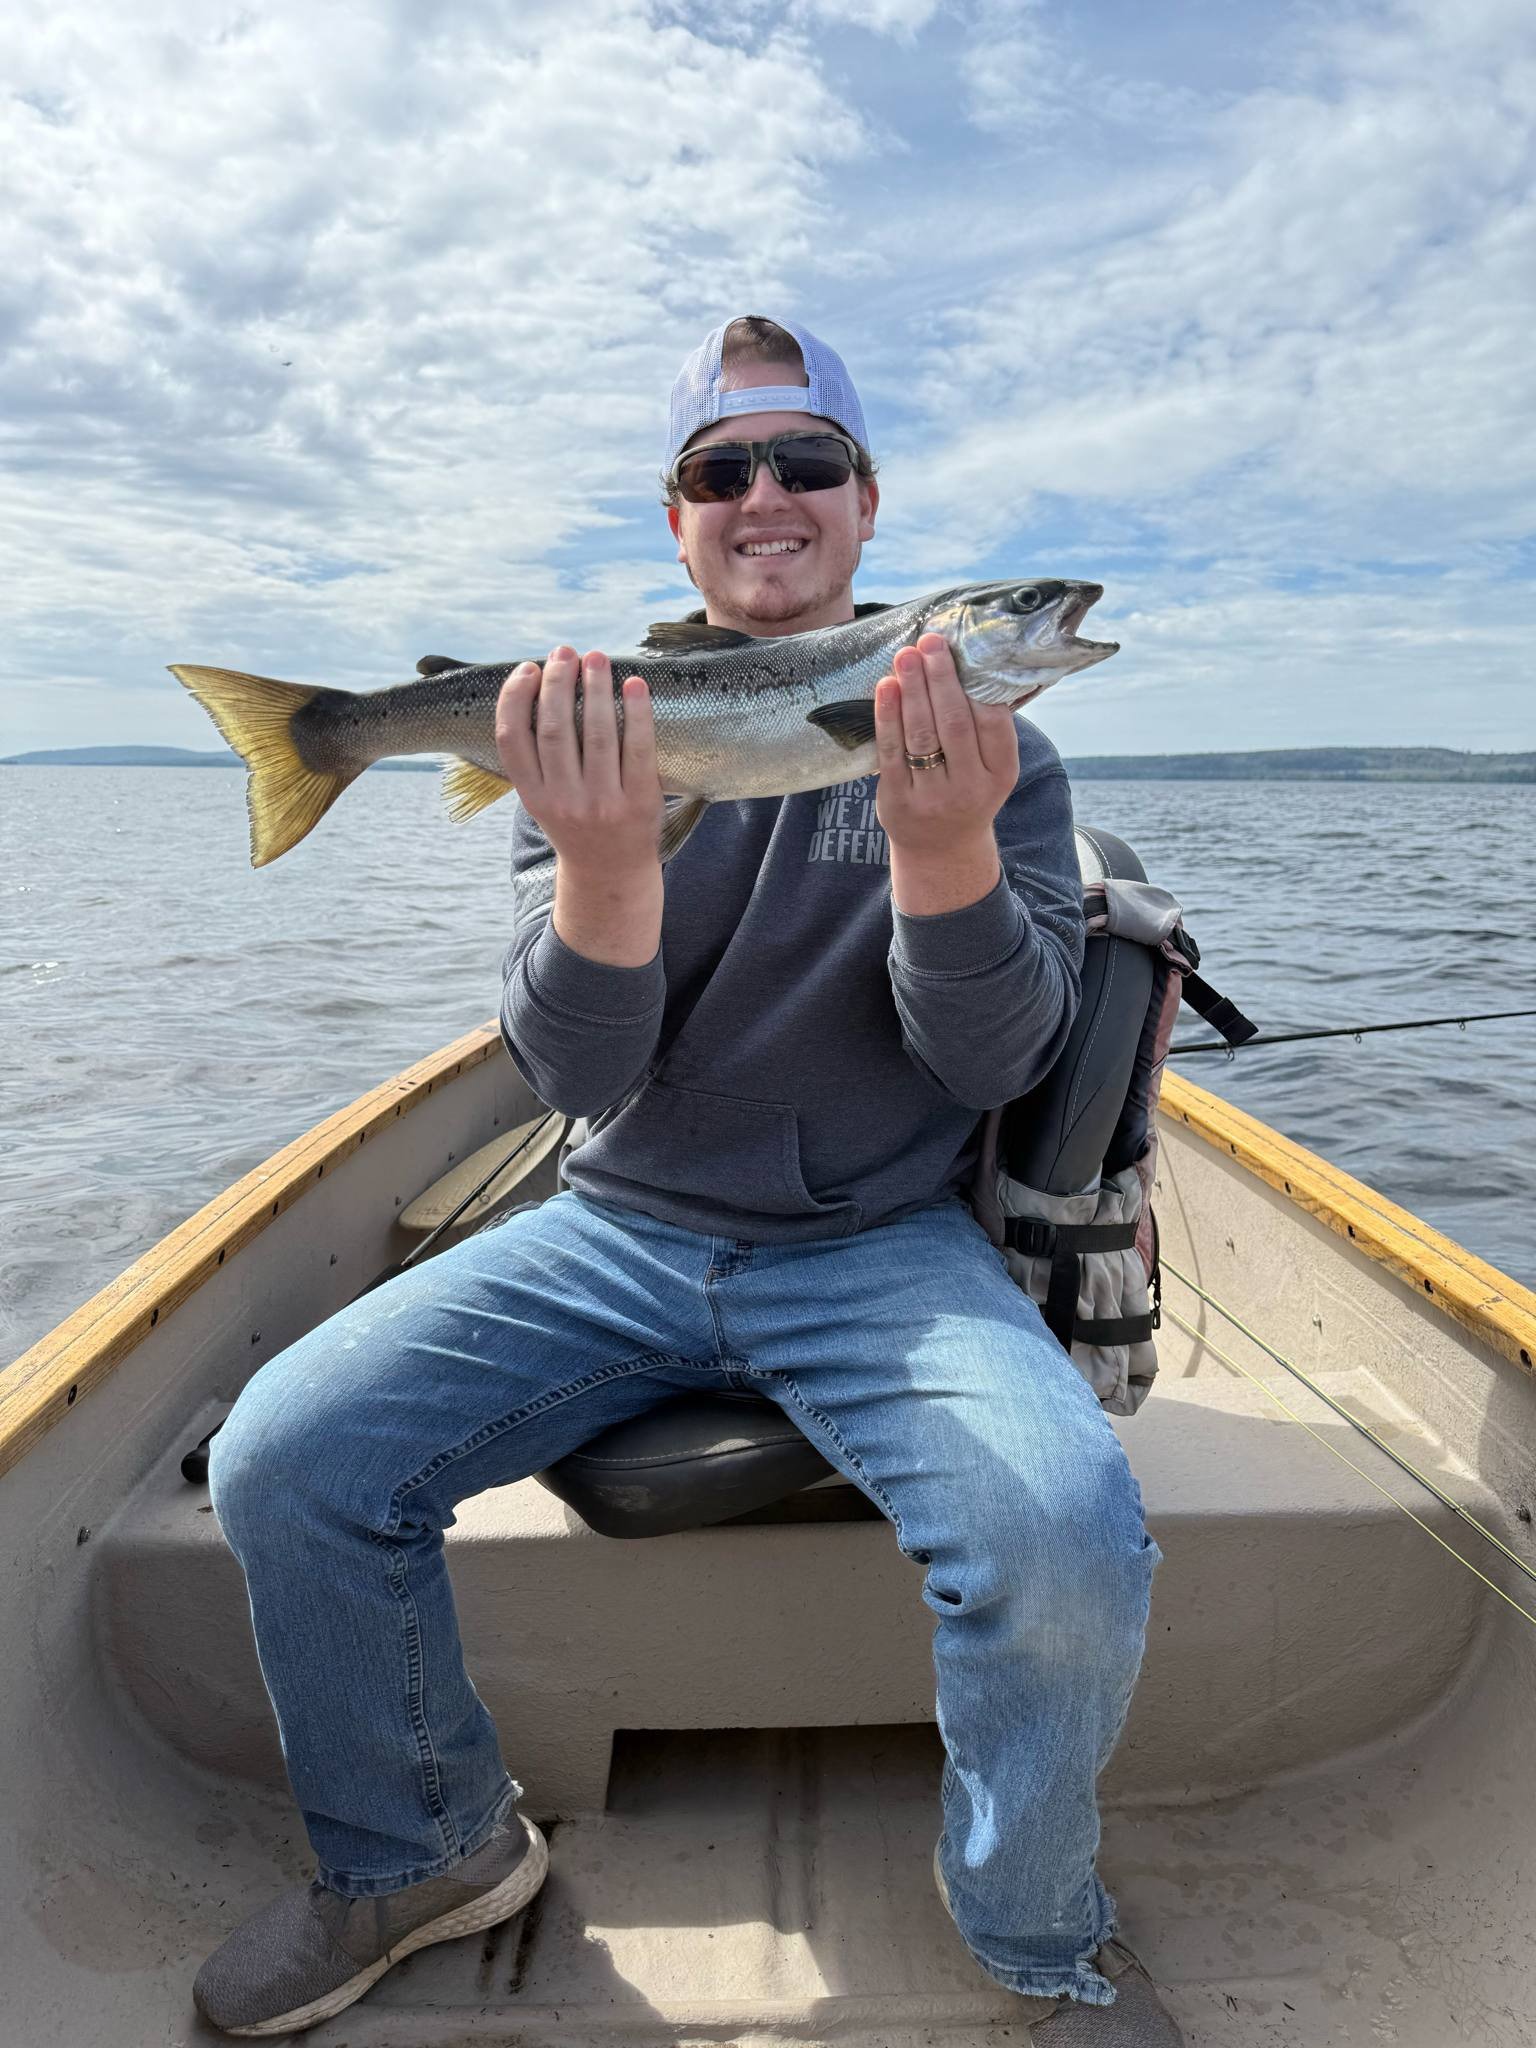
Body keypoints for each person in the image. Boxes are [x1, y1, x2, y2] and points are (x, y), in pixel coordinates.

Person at [193, 315, 1178, 2043]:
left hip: (884, 1247)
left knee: (1067, 1532)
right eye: (724, 471)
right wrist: (602, 870)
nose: (767, 496)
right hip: (617, 1229)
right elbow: (570, 1079)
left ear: (870, 511)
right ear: (681, 524)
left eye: (807, 465)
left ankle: (1037, 1937)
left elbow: (995, 1071)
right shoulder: (586, 728)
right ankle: (425, 1853)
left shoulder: (995, 755)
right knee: (286, 1455)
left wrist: (945, 853)